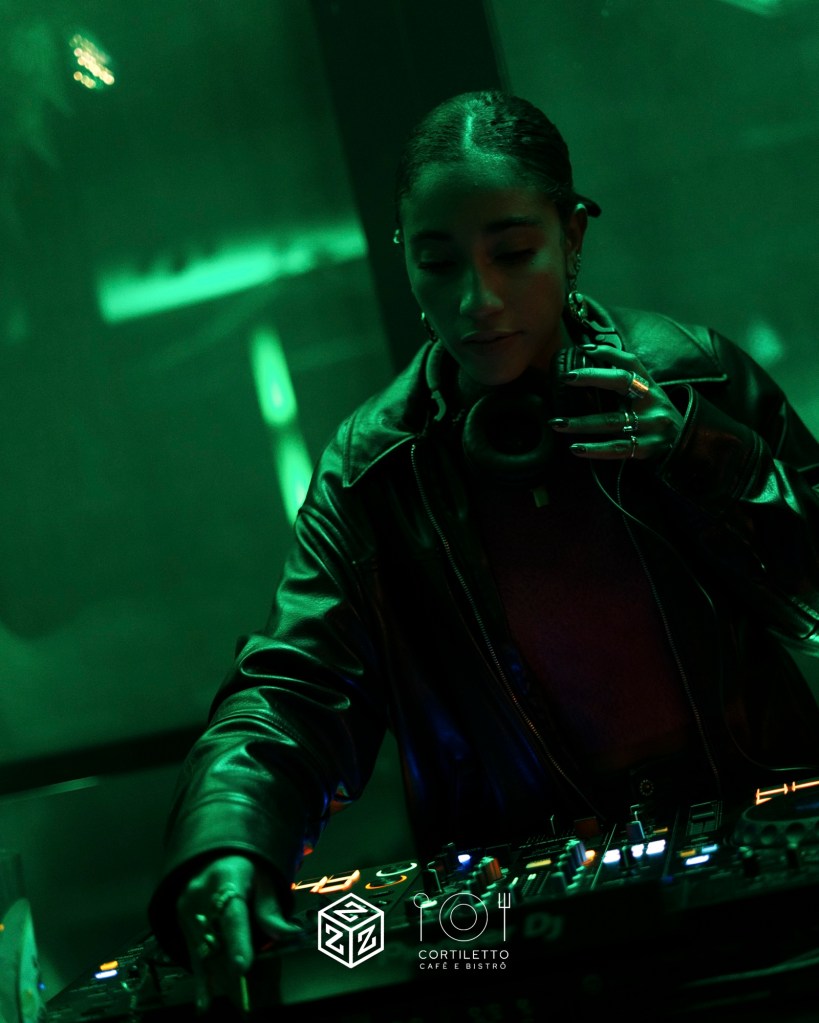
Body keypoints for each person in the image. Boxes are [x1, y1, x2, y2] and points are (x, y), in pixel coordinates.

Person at [147, 89, 819, 1010]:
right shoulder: (372, 471)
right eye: (437, 262)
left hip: (766, 882)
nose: (477, 300)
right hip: (511, 946)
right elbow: (294, 688)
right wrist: (227, 839)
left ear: (570, 236)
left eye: (511, 253)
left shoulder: (692, 374)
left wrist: (703, 452)